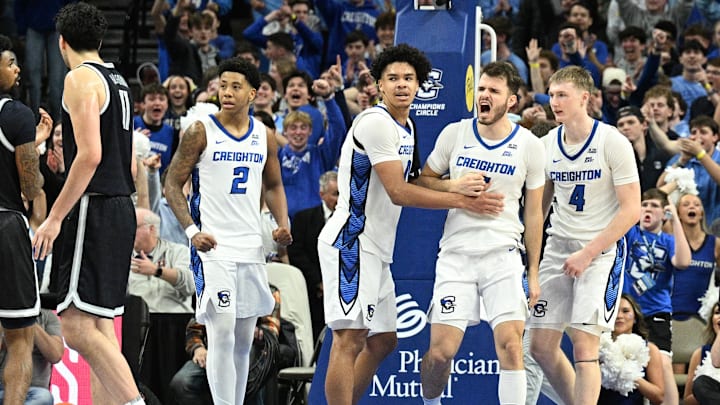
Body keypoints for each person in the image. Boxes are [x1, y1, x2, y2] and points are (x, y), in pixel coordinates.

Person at [317, 44, 504, 405]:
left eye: (408, 78)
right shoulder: (374, 122)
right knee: (349, 339)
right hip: (351, 242)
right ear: (379, 85)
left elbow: (415, 179)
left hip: (376, 247)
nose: (401, 85)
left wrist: (455, 183)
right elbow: (399, 192)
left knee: (384, 339)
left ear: (419, 84)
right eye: (393, 79)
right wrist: (463, 200)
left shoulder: (408, 126)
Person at [31, 3, 143, 404]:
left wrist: (55, 217)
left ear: (61, 43)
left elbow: (91, 155)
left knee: (76, 329)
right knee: (99, 328)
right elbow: (126, 161)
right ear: (98, 39)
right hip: (119, 206)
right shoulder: (119, 80)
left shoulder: (79, 78)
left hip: (92, 209)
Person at [164, 57, 292, 405]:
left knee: (242, 337)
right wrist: (191, 232)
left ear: (253, 93)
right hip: (213, 247)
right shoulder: (200, 131)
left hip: (251, 247)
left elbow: (275, 185)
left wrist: (283, 222)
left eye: (236, 86)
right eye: (223, 85)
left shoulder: (265, 136)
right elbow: (171, 185)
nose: (228, 92)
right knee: (220, 332)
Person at [417, 61, 546, 405]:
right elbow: (422, 180)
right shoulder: (455, 133)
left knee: (511, 347)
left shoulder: (530, 146)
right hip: (457, 256)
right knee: (441, 354)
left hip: (503, 255)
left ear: (512, 102)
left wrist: (533, 271)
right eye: (482, 89)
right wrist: (457, 189)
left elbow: (534, 214)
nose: (484, 96)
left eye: (494, 91)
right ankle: (430, 403)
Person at [527, 65, 641, 405]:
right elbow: (538, 209)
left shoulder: (612, 141)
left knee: (584, 345)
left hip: (601, 253)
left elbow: (632, 210)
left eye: (562, 95)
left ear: (585, 98)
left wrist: (588, 252)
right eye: (552, 94)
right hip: (558, 250)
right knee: (540, 347)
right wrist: (530, 258)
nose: (555, 102)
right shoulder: (546, 144)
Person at [0, 32, 46, 405]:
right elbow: (31, 188)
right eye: (11, 62)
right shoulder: (15, 113)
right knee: (20, 337)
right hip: (5, 227)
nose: (17, 69)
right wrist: (35, 146)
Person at [622, 188, 691, 405]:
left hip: (656, 312)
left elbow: (683, 262)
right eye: (645, 205)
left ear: (664, 213)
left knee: (662, 363)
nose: (648, 209)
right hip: (627, 312)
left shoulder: (669, 241)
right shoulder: (630, 233)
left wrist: (675, 220)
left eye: (654, 206)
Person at [129, 207, 194, 403]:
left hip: (174, 324)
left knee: (170, 385)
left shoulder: (178, 251)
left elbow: (190, 284)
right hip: (138, 325)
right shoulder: (124, 255)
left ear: (151, 229)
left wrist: (158, 271)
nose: (129, 229)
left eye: (136, 226)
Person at [288, 170, 339, 340]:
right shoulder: (303, 218)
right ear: (322, 194)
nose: (339, 199)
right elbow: (296, 252)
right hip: (312, 291)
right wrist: (319, 282)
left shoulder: (353, 219)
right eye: (335, 194)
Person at [598, 294, 665, 404]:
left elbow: (659, 397)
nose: (619, 316)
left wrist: (630, 375)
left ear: (635, 318)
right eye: (614, 311)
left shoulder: (649, 349)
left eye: (625, 311)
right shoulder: (595, 347)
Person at [0, 309, 64, 405]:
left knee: (44, 397)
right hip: (3, 389)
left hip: (34, 391)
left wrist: (28, 321)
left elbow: (55, 355)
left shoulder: (48, 317)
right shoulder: (3, 315)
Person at [672, 193, 720, 320]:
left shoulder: (715, 243)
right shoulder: (670, 240)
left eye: (697, 205)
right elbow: (659, 195)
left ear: (702, 213)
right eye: (686, 205)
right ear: (678, 213)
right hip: (670, 314)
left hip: (701, 318)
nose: (691, 207)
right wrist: (676, 176)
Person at [684, 302, 720, 405]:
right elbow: (687, 400)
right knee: (701, 383)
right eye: (717, 312)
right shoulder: (700, 353)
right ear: (711, 319)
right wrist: (707, 394)